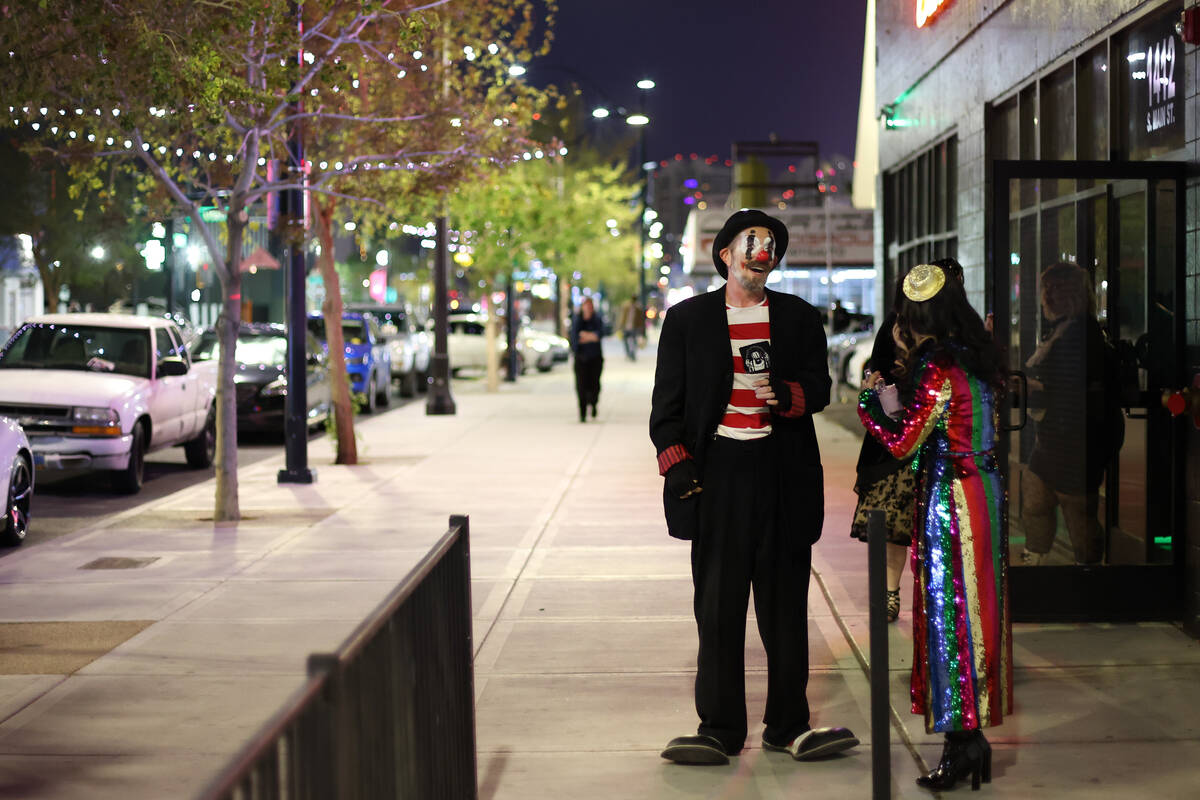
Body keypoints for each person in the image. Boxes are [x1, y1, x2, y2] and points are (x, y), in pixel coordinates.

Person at [650, 209, 858, 766]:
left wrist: (786, 395)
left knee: (786, 608)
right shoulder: (688, 320)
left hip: (781, 475)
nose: (762, 252)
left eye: (771, 245)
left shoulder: (797, 318)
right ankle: (718, 727)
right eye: (751, 242)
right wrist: (679, 467)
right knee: (717, 609)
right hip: (718, 478)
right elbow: (664, 412)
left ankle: (788, 725)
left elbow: (818, 386)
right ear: (725, 253)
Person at [858, 262, 1012, 791]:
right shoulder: (978, 357)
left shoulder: (935, 365)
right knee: (977, 614)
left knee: (949, 618)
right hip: (985, 492)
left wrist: (869, 405)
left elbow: (903, 443)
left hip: (952, 498)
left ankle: (963, 740)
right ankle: (968, 739)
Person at [850, 259, 964, 624]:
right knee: (898, 526)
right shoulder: (900, 327)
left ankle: (923, 599)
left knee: (931, 530)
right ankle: (892, 593)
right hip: (900, 438)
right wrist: (879, 388)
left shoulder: (959, 333)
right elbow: (876, 366)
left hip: (935, 445)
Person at [1020, 261, 1123, 565]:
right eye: (1045, 288)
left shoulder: (1080, 334)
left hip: (1075, 441)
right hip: (1056, 440)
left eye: (1056, 288)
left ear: (1073, 294)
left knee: (1078, 515)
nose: (1048, 296)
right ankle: (1039, 562)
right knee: (1036, 499)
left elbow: (1069, 386)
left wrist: (1031, 386)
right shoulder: (1067, 329)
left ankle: (1085, 580)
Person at [569, 297, 604, 422]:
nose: (588, 308)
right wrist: (591, 336)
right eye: (585, 305)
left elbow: (599, 336)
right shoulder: (577, 320)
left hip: (595, 357)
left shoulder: (597, 319)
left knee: (594, 384)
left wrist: (585, 336)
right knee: (581, 386)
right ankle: (582, 412)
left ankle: (593, 404)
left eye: (590, 306)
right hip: (581, 358)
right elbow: (575, 338)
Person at [617, 293, 644, 361]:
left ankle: (632, 354)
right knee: (625, 341)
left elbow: (640, 319)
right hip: (626, 327)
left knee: (634, 341)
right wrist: (620, 325)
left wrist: (641, 328)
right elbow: (622, 316)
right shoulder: (626, 306)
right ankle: (628, 354)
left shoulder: (638, 307)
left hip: (634, 327)